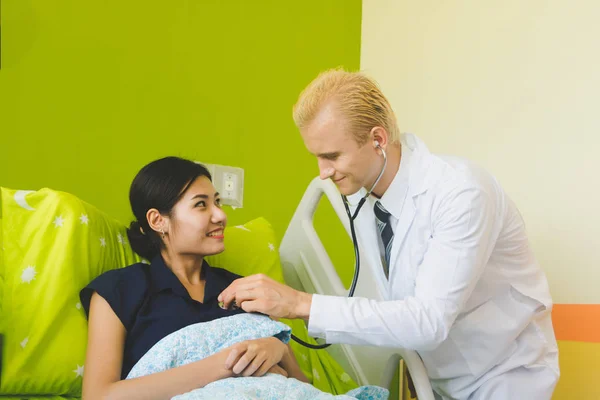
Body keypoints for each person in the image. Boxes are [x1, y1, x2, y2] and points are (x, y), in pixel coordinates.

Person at [218, 69, 559, 399]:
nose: (323, 173)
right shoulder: (367, 196)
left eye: (332, 156)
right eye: (317, 157)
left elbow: (428, 319)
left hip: (504, 372)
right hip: (443, 373)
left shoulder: (460, 192)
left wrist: (299, 303)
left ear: (377, 139)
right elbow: (403, 298)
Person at [79, 157, 307, 400]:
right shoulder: (119, 290)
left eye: (217, 202)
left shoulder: (244, 289)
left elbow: (305, 388)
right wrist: (225, 365)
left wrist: (278, 349)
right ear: (158, 221)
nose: (220, 216)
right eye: (201, 204)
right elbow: (98, 396)